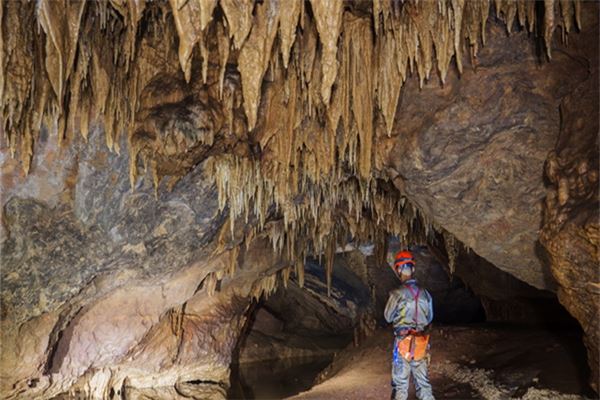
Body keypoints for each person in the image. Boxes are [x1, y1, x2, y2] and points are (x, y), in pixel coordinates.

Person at [384, 250, 435, 400]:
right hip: (420, 342)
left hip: (403, 343)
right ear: (412, 269)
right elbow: (430, 317)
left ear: (398, 270)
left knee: (401, 385)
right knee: (423, 384)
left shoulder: (397, 293)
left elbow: (388, 317)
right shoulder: (425, 294)